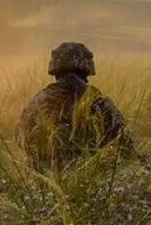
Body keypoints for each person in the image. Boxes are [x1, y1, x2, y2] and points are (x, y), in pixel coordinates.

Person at [18, 41, 133, 171]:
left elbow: (21, 138)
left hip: (43, 174)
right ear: (86, 71)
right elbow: (123, 142)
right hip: (88, 173)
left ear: (55, 72)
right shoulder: (97, 100)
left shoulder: (39, 99)